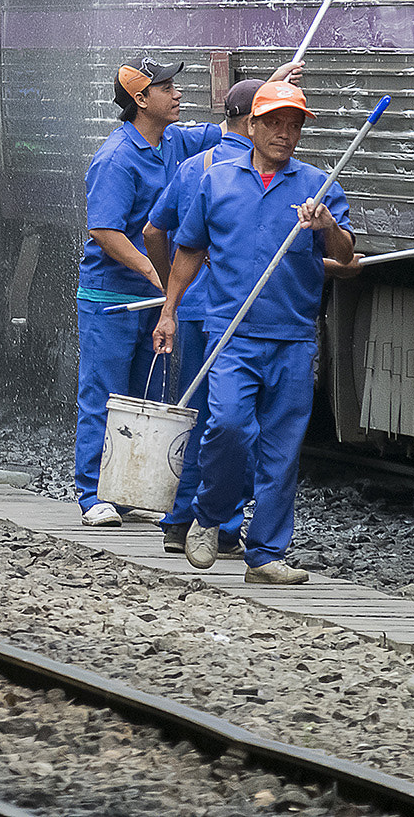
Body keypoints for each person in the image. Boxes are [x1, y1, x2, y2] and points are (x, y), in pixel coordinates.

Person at [74, 56, 300, 527]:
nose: (177, 94)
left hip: (157, 294)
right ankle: (92, 493)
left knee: (146, 394)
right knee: (106, 394)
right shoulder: (116, 157)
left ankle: (126, 487)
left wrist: (273, 84)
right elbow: (105, 231)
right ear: (140, 100)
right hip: (112, 295)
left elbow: (234, 127)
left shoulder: (176, 139)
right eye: (166, 88)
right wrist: (161, 276)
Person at [155, 80, 354, 585]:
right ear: (253, 125)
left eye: (294, 125)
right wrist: (169, 310)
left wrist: (326, 225)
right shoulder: (216, 181)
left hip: (292, 334)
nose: (285, 134)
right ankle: (210, 513)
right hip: (231, 334)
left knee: (282, 448)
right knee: (227, 426)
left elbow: (347, 254)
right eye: (275, 123)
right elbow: (189, 252)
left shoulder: (318, 186)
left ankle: (264, 554)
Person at [141, 77, 263, 557]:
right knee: (232, 421)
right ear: (253, 123)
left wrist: (174, 281)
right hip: (234, 313)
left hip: (192, 309)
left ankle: (177, 521)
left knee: (191, 413)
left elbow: (154, 229)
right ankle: (223, 524)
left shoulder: (197, 166)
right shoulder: (253, 172)